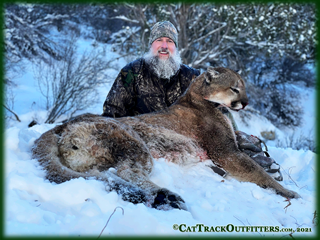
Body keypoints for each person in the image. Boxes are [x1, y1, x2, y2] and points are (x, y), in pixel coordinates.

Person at [102, 21, 281, 180]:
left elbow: (218, 110)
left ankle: (259, 169)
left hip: (189, 137)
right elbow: (112, 111)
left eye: (170, 41)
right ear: (151, 45)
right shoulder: (132, 72)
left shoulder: (193, 76)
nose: (164, 46)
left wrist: (231, 133)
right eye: (159, 40)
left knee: (235, 139)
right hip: (146, 136)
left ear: (176, 47)